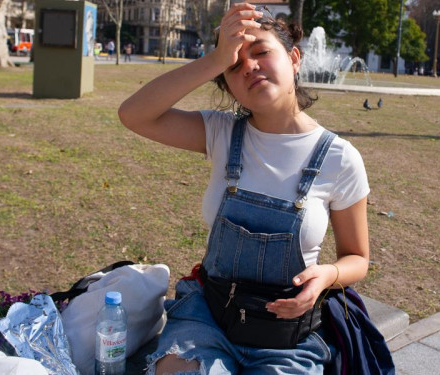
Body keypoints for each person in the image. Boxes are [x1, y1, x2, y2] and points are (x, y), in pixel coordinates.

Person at [118, 3, 373, 374]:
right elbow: (133, 114)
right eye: (234, 66)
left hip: (286, 337)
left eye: (261, 52)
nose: (249, 67)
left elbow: (357, 258)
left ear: (294, 58)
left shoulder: (340, 158)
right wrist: (215, 58)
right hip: (208, 318)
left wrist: (329, 276)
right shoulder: (220, 133)